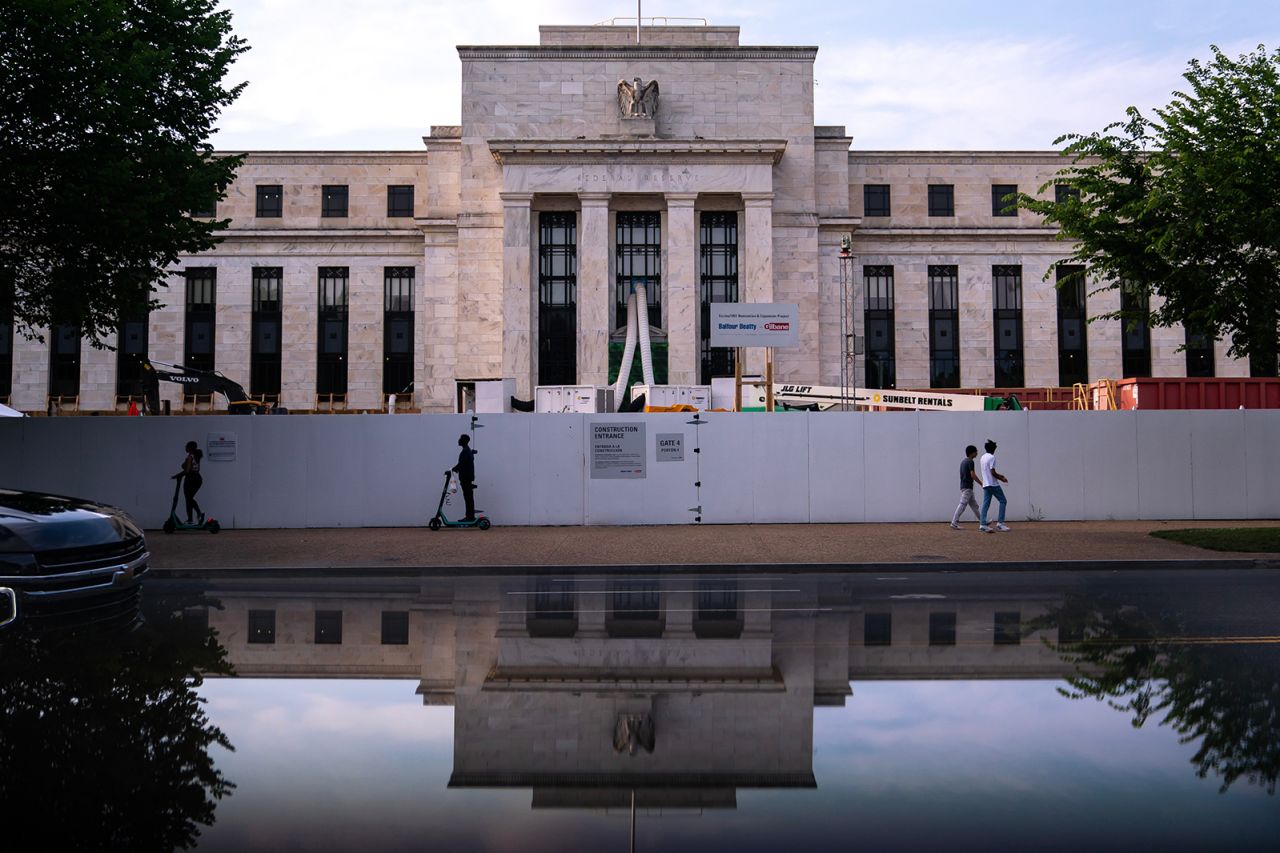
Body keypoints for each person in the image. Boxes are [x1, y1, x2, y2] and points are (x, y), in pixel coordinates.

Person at [978, 438, 1010, 533]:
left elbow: (988, 471)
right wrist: (1002, 478)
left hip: (986, 484)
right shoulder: (992, 457)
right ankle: (1000, 523)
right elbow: (992, 472)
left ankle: (982, 524)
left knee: (985, 504)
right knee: (1003, 501)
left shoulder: (982, 457)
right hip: (993, 484)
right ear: (993, 449)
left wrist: (999, 476)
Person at [172, 440, 204, 525]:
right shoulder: (196, 456)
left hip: (190, 479)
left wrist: (177, 475)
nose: (185, 448)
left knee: (188, 499)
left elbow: (187, 471)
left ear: (190, 448)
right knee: (189, 499)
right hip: (198, 479)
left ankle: (195, 516)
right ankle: (195, 516)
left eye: (186, 446)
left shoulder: (190, 457)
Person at [950, 445, 982, 529]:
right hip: (968, 487)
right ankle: (954, 522)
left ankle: (983, 521)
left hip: (964, 486)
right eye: (976, 451)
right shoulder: (971, 462)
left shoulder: (963, 462)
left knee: (974, 506)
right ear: (972, 453)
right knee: (962, 504)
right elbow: (973, 475)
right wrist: (981, 483)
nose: (977, 453)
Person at [452, 433, 477, 522]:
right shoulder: (467, 451)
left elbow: (461, 464)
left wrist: (452, 469)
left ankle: (470, 517)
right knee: (468, 497)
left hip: (466, 478)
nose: (459, 440)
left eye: (461, 439)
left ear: (465, 441)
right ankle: (470, 516)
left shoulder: (466, 451)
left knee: (468, 498)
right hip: (467, 477)